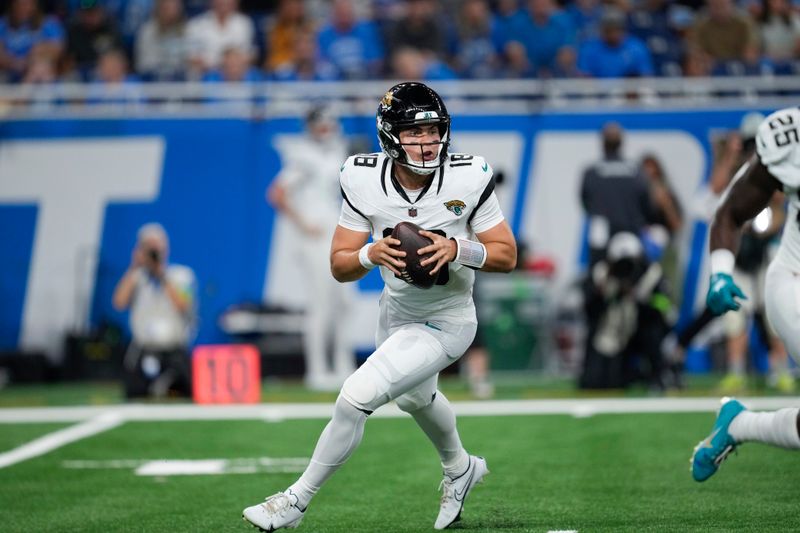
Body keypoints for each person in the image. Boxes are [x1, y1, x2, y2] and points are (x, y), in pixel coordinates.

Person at [243, 82, 517, 530]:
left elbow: (506, 254)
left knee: (354, 399)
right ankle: (461, 468)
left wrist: (457, 248)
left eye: (432, 132)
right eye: (413, 133)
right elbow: (340, 264)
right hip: (395, 312)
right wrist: (371, 253)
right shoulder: (361, 176)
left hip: (448, 318)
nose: (426, 144)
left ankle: (294, 502)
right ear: (389, 135)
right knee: (416, 399)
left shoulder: (469, 175)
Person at [691, 106, 800, 482]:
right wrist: (720, 273)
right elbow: (730, 212)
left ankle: (741, 424)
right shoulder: (792, 138)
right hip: (795, 280)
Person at [266, 106, 355, 391]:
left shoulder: (339, 151)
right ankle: (317, 370)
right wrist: (304, 224)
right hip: (316, 238)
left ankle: (343, 366)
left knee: (344, 304)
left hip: (338, 233)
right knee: (321, 304)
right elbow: (276, 193)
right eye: (322, 123)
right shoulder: (304, 157)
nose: (327, 128)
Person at [112, 223, 196, 399]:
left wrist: (162, 274)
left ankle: (167, 388)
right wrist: (133, 267)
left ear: (165, 248)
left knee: (184, 392)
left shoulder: (182, 275)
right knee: (134, 394)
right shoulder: (136, 277)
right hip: (144, 349)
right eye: (148, 246)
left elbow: (183, 304)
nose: (153, 251)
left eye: (156, 246)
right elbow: (119, 303)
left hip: (174, 351)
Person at [580, 121, 653, 267]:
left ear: (603, 144)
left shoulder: (592, 172)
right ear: (621, 143)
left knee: (597, 275)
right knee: (637, 273)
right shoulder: (636, 171)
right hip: (631, 232)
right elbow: (646, 203)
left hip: (602, 235)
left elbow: (585, 201)